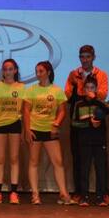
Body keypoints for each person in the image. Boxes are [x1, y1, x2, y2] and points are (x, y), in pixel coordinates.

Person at [23, 61, 73, 205]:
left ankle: (63, 193)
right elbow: (26, 110)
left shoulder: (57, 90)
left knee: (58, 162)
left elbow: (62, 111)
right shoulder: (31, 90)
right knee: (33, 161)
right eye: (37, 71)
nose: (38, 74)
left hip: (50, 131)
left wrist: (56, 123)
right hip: (35, 129)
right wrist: (27, 130)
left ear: (48, 72)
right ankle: (35, 194)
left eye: (41, 71)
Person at [65, 45, 109, 204]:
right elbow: (67, 94)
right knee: (79, 157)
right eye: (82, 57)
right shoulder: (73, 74)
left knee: (101, 161)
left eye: (88, 57)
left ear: (93, 57)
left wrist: (90, 90)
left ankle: (103, 194)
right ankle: (80, 192)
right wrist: (79, 85)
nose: (85, 60)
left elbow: (103, 94)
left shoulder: (101, 74)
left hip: (97, 118)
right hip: (79, 118)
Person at [72, 75, 109, 206]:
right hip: (84, 142)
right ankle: (84, 197)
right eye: (87, 87)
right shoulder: (79, 104)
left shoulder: (100, 103)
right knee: (84, 170)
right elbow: (74, 123)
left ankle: (100, 197)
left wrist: (96, 99)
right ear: (83, 89)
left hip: (99, 141)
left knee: (101, 170)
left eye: (92, 88)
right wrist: (90, 123)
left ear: (96, 89)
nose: (89, 90)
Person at [0, 59, 25, 204]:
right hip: (0, 124)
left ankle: (14, 192)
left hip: (15, 124)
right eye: (5, 69)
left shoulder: (22, 87)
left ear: (15, 70)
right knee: (0, 158)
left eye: (10, 69)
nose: (7, 72)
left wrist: (24, 131)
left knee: (14, 158)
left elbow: (24, 110)